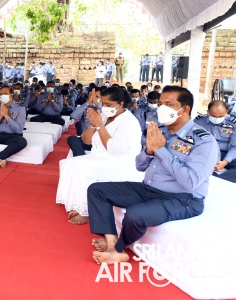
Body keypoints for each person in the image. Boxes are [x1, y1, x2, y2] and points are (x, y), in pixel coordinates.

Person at [87, 86, 218, 265]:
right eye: (161, 103)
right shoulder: (161, 131)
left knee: (134, 214)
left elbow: (190, 181)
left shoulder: (203, 140)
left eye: (169, 104)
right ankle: (111, 241)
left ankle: (118, 250)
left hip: (183, 199)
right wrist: (149, 151)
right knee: (97, 190)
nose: (161, 108)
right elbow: (139, 166)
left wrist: (161, 150)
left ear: (185, 109)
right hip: (149, 189)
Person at [57, 87, 143, 225]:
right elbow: (85, 140)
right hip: (101, 157)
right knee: (68, 163)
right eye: (103, 104)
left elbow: (113, 149)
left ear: (120, 104)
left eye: (108, 105)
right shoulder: (104, 116)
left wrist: (100, 127)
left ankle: (87, 211)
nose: (104, 107)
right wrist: (92, 126)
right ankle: (75, 203)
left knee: (84, 168)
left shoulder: (129, 122)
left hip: (121, 163)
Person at [194, 101, 236, 183]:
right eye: (213, 116)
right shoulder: (198, 121)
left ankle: (219, 181)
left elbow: (235, 147)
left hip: (225, 153)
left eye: (220, 116)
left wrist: (225, 161)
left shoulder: (233, 124)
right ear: (208, 112)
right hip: (205, 152)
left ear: (226, 113)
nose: (217, 119)